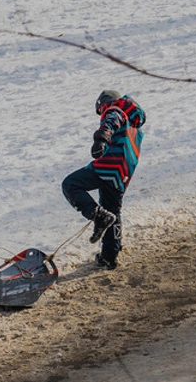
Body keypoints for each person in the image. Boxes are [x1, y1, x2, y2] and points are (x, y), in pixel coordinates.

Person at [62, 90, 146, 270]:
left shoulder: (115, 109)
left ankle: (98, 216)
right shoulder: (134, 123)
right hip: (122, 174)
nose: (101, 113)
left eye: (100, 110)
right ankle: (109, 256)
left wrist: (101, 139)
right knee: (113, 212)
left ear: (103, 103)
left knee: (70, 184)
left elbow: (111, 120)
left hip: (109, 166)